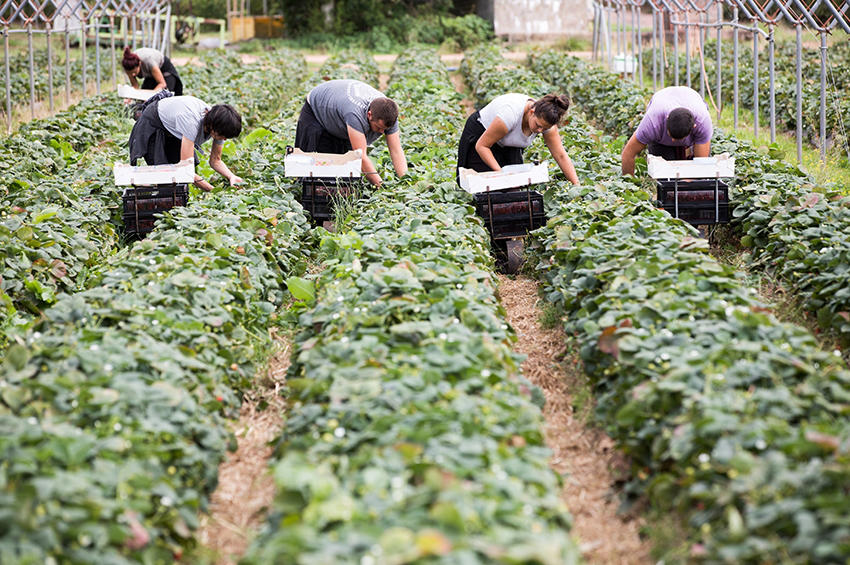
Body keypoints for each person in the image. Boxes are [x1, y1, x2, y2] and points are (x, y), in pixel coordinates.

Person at [295, 79, 407, 187]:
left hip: (341, 108)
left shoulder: (389, 116)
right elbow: (361, 156)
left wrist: (405, 181)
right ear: (369, 115)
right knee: (318, 167)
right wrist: (380, 186)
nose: (382, 132)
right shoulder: (354, 114)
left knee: (345, 168)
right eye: (378, 127)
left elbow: (396, 151)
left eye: (385, 129)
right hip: (317, 107)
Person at [456, 93, 580, 186]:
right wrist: (502, 174)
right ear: (531, 112)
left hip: (509, 143)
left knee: (514, 186)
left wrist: (576, 185)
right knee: (483, 184)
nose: (540, 131)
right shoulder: (510, 115)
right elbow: (482, 146)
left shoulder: (547, 123)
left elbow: (560, 155)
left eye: (545, 128)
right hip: (481, 135)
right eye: (538, 125)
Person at [128, 94, 243, 191]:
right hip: (154, 122)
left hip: (174, 129)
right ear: (213, 127)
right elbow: (185, 170)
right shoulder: (191, 123)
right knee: (166, 178)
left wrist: (231, 176)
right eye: (223, 136)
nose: (224, 139)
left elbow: (215, 160)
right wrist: (213, 191)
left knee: (180, 181)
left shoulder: (219, 122)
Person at [621, 86, 713, 175]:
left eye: (679, 139)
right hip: (661, 134)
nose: (673, 141)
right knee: (664, 173)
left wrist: (687, 182)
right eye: (671, 135)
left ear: (694, 127)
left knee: (695, 172)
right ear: (667, 118)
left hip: (692, 99)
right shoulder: (653, 122)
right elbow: (628, 154)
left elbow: (701, 165)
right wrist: (629, 184)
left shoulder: (702, 122)